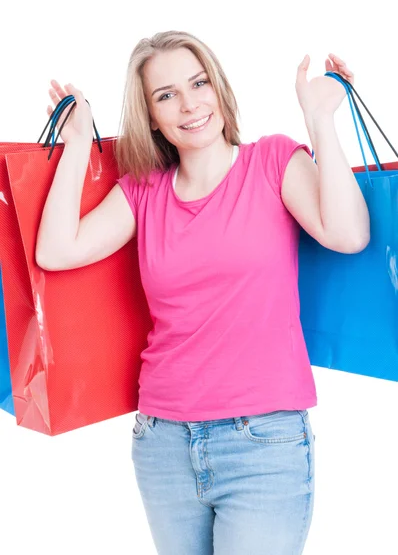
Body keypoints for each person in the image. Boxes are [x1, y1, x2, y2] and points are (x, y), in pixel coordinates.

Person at [36, 30, 370, 555]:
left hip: (264, 443)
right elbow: (56, 251)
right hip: (164, 442)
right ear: (149, 116)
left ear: (218, 87)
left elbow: (348, 234)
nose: (190, 103)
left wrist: (320, 121)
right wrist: (78, 143)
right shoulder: (144, 192)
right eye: (166, 94)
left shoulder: (272, 163)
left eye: (198, 83)